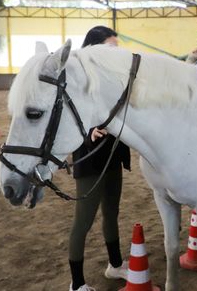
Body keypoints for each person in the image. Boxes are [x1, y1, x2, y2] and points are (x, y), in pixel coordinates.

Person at [68, 26, 130, 291]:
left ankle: (115, 265)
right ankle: (77, 284)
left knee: (111, 214)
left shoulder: (114, 78)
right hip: (90, 159)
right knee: (83, 222)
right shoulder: (78, 80)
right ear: (93, 48)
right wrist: (88, 132)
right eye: (110, 47)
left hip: (112, 157)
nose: (115, 53)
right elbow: (69, 120)